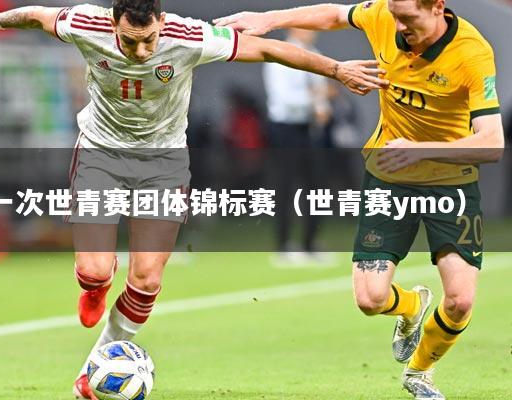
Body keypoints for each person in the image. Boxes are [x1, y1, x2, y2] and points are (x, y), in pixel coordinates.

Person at [0, 1, 389, 399]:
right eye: (129, 41)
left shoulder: (189, 36)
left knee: (146, 280)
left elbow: (269, 50)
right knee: (93, 269)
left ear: (161, 22)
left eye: (148, 40)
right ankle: (96, 285)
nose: (140, 52)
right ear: (112, 24)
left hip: (164, 165)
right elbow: (37, 15)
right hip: (101, 155)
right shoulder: (85, 24)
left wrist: (336, 70)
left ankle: (92, 370)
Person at [215, 1, 505, 399]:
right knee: (370, 299)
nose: (398, 26)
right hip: (389, 177)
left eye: (408, 18)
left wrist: (421, 151)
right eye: (395, 16)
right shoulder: (385, 14)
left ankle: (420, 372)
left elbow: (492, 142)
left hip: (450, 183)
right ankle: (411, 305)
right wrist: (269, 18)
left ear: (437, 7)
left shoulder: (472, 52)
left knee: (460, 301)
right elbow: (336, 15)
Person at [262, 29, 331, 264]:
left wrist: (322, 107)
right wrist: (314, 100)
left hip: (309, 128)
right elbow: (283, 98)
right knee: (285, 185)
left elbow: (321, 92)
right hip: (285, 128)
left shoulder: (315, 54)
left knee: (315, 186)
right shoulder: (279, 54)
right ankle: (284, 245)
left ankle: (310, 243)